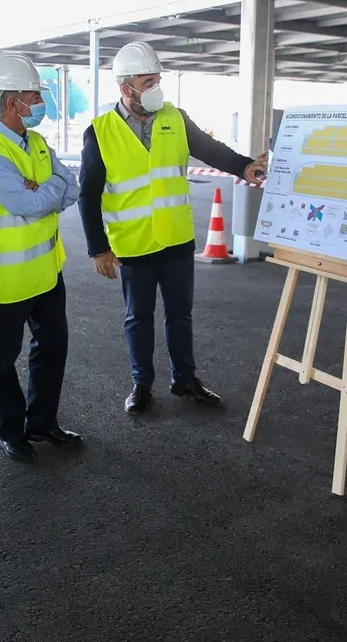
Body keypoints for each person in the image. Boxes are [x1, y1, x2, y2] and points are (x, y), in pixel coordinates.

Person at [78, 42, 268, 414]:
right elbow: (88, 195)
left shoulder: (176, 118)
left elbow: (212, 150)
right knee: (139, 318)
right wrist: (98, 249)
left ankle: (185, 379)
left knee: (180, 315)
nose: (155, 89)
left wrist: (244, 166)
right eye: (147, 82)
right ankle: (142, 383)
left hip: (178, 241)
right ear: (126, 88)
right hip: (133, 245)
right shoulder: (99, 132)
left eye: (157, 80)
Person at [0, 53, 81, 463]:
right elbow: (32, 203)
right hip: (7, 277)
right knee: (5, 358)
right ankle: (12, 431)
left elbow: (71, 185)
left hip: (46, 271)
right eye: (34, 96)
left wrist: (40, 191)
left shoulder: (37, 143)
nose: (40, 103)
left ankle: (42, 422)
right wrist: (44, 193)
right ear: (13, 102)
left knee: (53, 346)